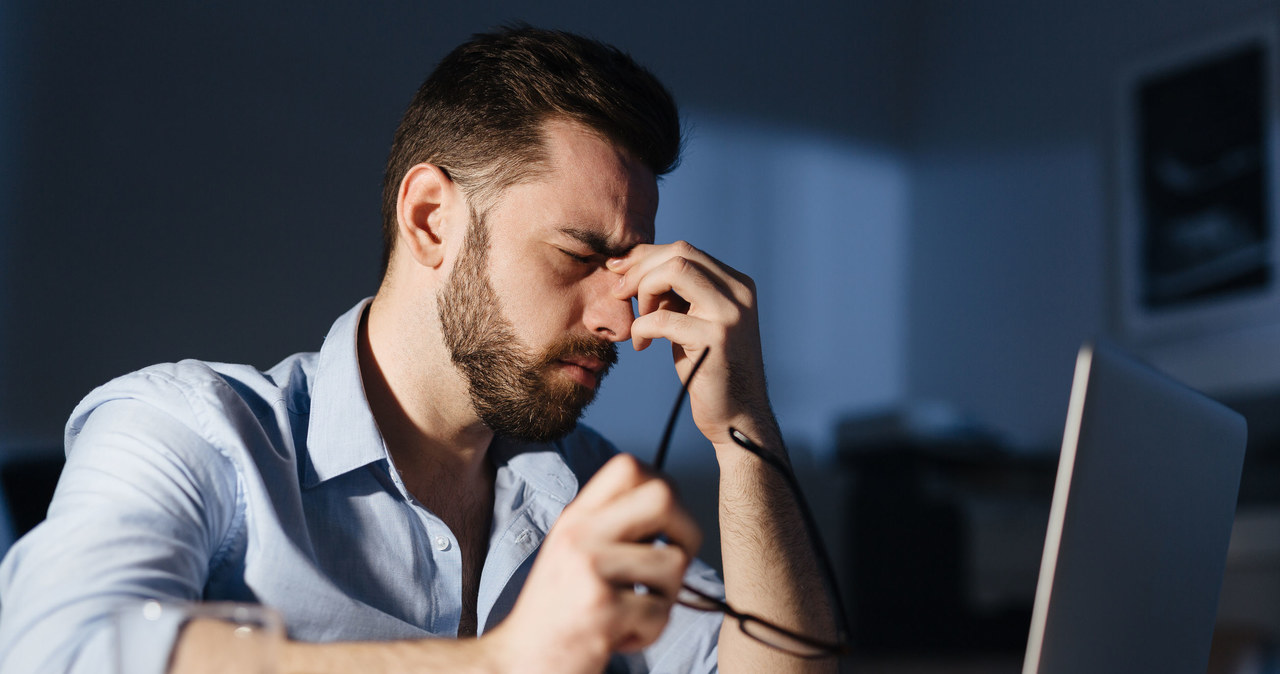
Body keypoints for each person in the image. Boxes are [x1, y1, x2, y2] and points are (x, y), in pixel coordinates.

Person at [0, 26, 836, 673]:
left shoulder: (586, 490)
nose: (621, 322)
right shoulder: (189, 432)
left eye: (628, 272)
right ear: (432, 218)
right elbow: (57, 653)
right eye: (579, 256)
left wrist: (743, 429)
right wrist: (500, 660)